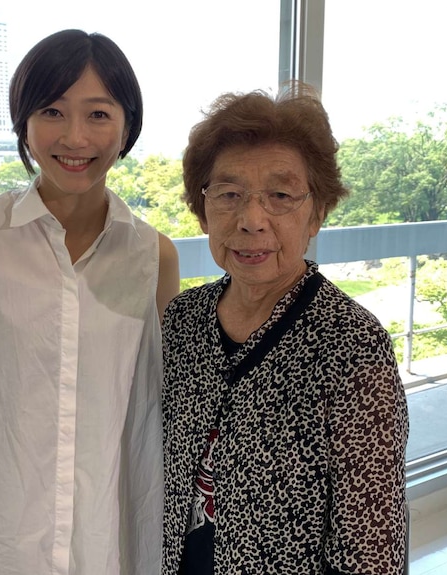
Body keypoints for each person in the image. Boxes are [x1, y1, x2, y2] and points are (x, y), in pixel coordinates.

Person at [0, 29, 180, 574]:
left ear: (127, 125)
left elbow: (153, 406)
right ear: (24, 124)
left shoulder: (154, 255)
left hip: (107, 537)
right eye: (52, 111)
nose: (75, 137)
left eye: (99, 114)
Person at [162, 82, 408, 575]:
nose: (252, 220)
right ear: (203, 209)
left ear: (316, 212)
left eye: (280, 196)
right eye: (229, 194)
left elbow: (372, 547)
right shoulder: (182, 320)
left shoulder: (352, 345)